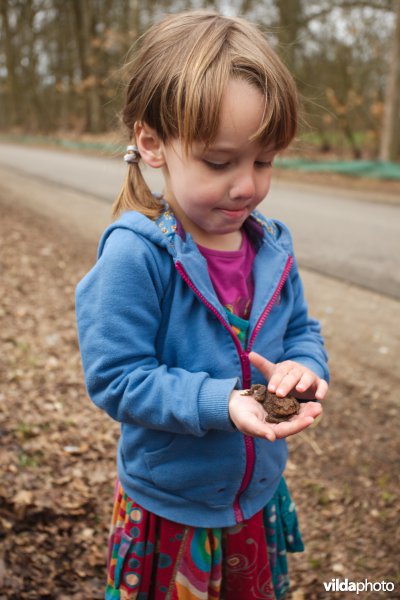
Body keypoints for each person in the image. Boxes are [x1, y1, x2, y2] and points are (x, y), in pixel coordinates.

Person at [76, 10, 329, 600]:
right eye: (220, 162)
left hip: (254, 497)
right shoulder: (135, 257)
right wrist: (224, 403)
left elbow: (302, 329)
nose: (247, 185)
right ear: (152, 143)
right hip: (172, 507)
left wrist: (305, 368)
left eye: (264, 160)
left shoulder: (271, 246)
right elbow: (117, 378)